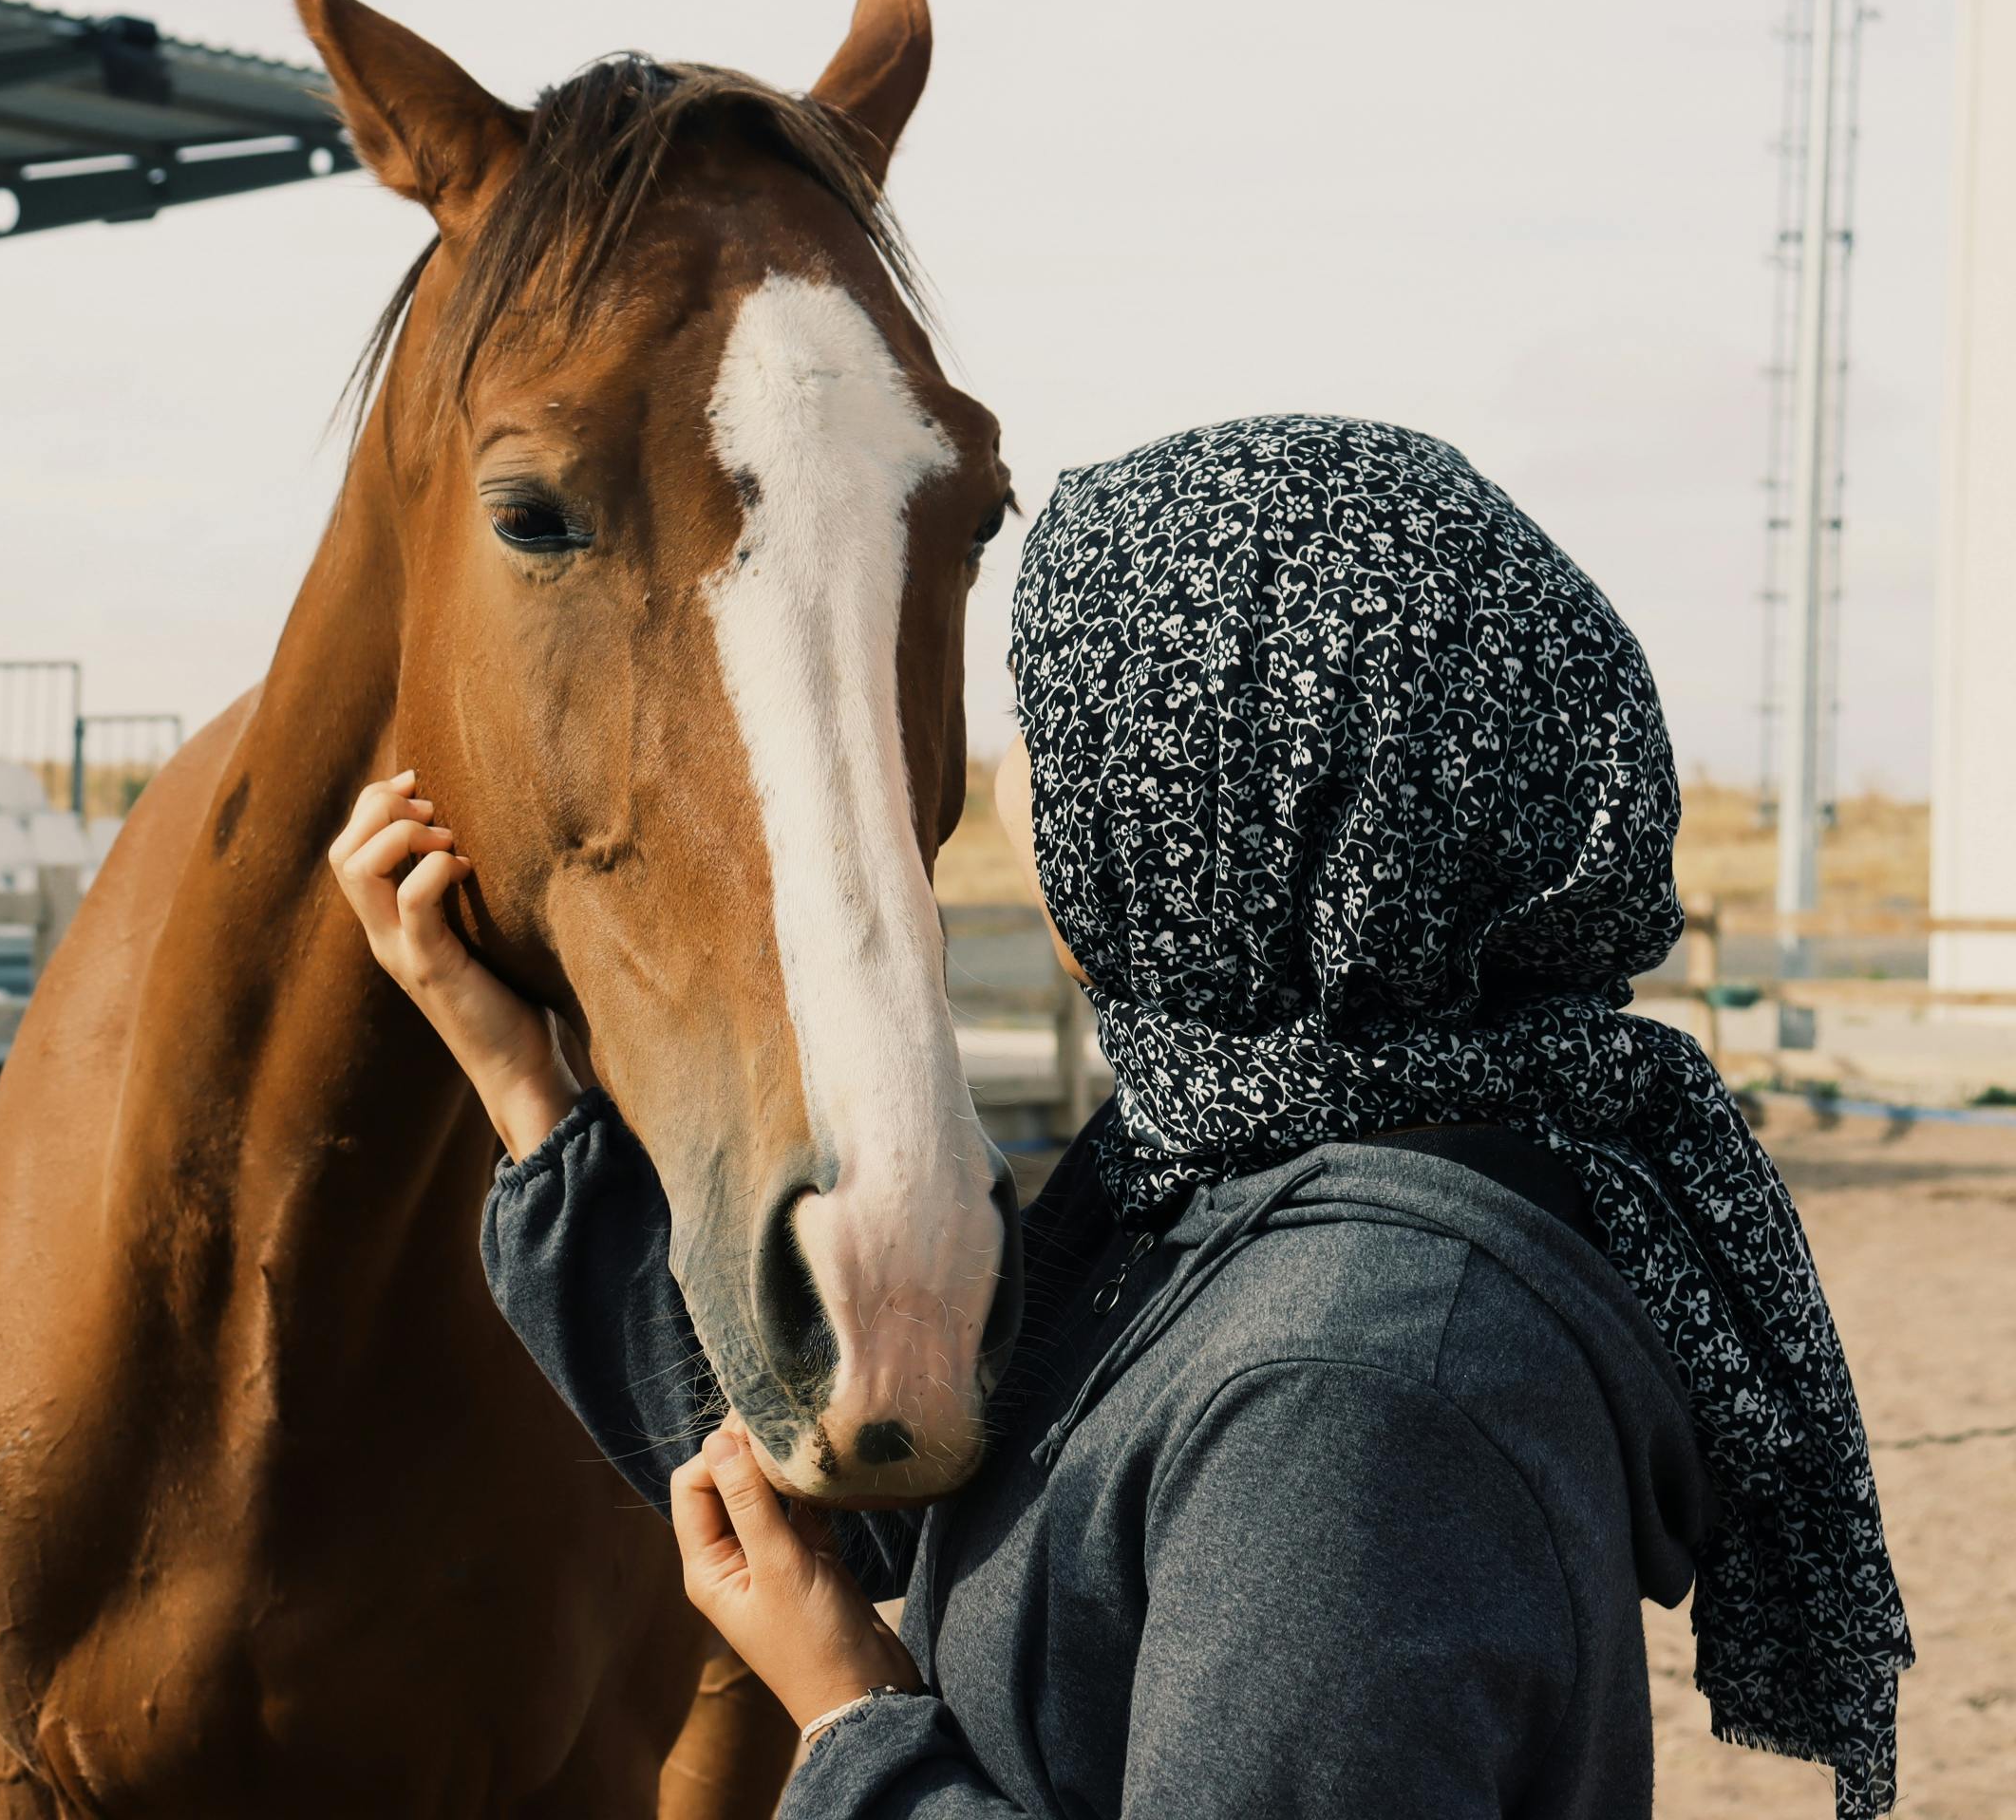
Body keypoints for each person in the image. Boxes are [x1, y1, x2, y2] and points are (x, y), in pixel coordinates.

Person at [330, 415, 1909, 1818]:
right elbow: (896, 1489)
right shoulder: (1228, 1188)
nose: (1019, 788)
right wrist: (522, 1083)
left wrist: (851, 1722)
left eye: (1072, 734)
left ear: (1228, 800)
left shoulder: (1352, 1387)